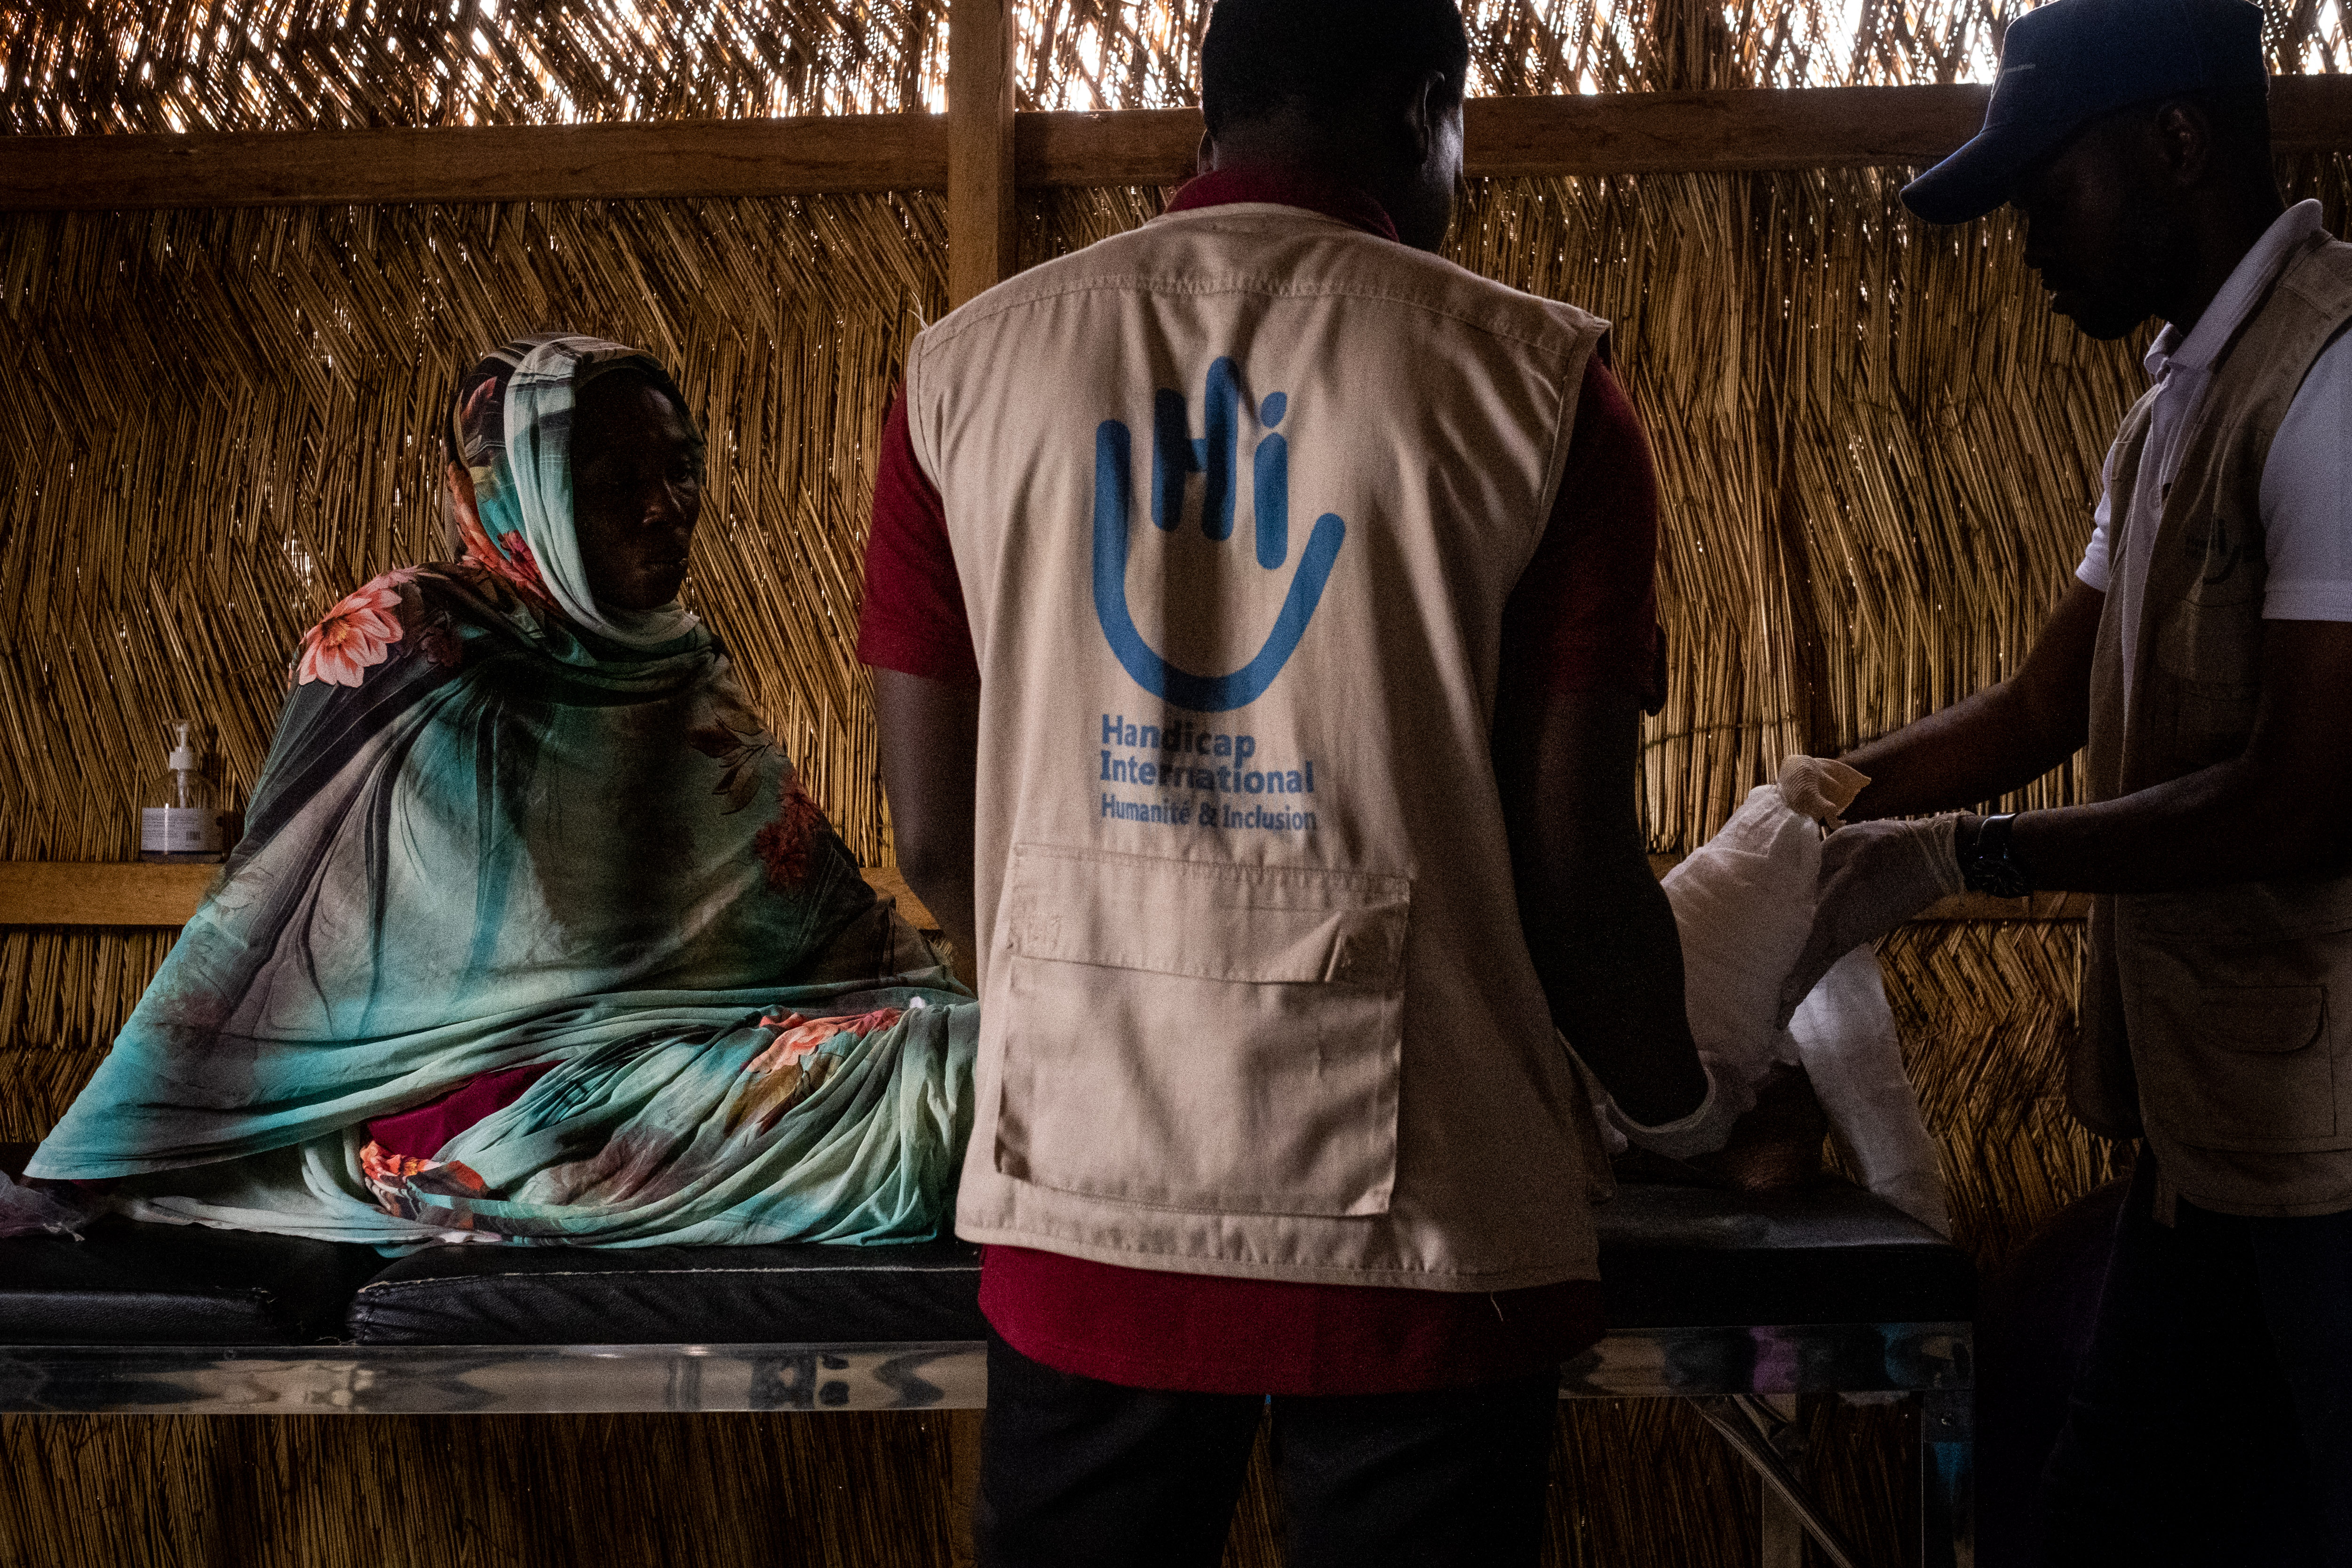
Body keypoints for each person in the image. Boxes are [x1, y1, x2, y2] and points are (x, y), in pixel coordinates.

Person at [856, 1, 1713, 1560]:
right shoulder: (1531, 388)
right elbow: (1577, 866)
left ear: (1215, 104)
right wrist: (1682, 1103)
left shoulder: (964, 380)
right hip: (1420, 1229)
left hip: (1089, 1191)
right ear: (1426, 108)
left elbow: (931, 830)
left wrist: (1109, 1003)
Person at [1778, 1, 2352, 1560]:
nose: (2030, 240)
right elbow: (2046, 697)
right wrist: (1813, 804)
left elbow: (2310, 791)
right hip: (2217, 1133)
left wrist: (1982, 859)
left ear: (2178, 142)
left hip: (2334, 1146)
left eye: (2049, 190)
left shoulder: (2332, 385)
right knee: (2112, 1514)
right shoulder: (2173, 408)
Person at [17, 334, 976, 1251]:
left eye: (682, 467)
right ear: (523, 495)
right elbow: (260, 917)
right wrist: (114, 1141)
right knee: (946, 1088)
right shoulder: (415, 642)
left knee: (977, 1050)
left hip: (674, 1061)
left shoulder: (673, 661)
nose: (666, 505)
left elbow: (820, 919)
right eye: (616, 485)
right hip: (497, 1100)